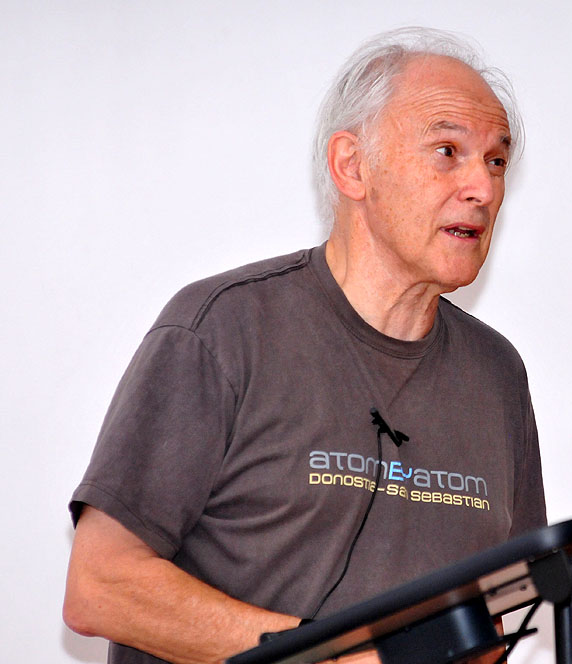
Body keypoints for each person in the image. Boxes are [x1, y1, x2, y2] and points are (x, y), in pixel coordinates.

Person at [63, 27, 546, 664]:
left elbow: (500, 611)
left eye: (496, 161)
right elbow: (100, 587)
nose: (481, 188)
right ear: (352, 166)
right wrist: (332, 658)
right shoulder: (223, 329)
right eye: (447, 151)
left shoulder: (496, 375)